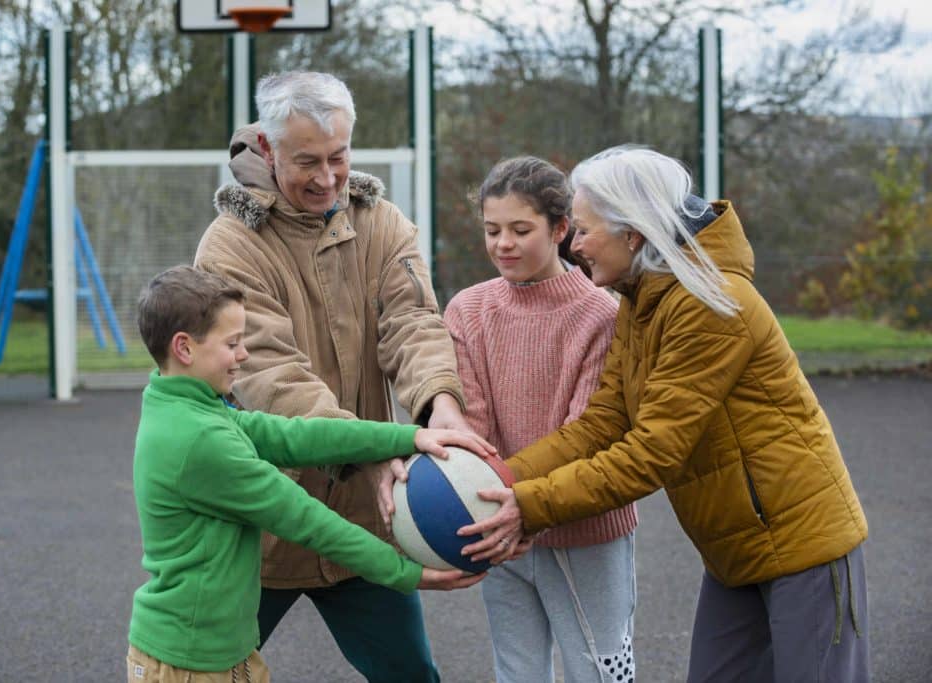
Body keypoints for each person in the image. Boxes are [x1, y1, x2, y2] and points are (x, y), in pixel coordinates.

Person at [461, 146, 870, 682]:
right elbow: (603, 423)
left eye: (583, 230)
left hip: (802, 546)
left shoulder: (708, 302)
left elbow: (653, 452)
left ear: (632, 233)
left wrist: (527, 506)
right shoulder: (641, 298)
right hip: (734, 548)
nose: (575, 244)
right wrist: (500, 478)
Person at [193, 71, 472, 682]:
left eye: (338, 157)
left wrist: (440, 408)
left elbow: (414, 324)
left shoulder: (382, 223)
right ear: (266, 150)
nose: (326, 178)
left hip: (361, 523)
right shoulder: (230, 245)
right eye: (306, 162)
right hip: (262, 523)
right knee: (204, 673)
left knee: (411, 675)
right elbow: (269, 376)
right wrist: (370, 452)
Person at [126, 265, 490, 683]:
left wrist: (408, 438)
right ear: (184, 348)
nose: (244, 354)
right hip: (189, 664)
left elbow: (295, 435)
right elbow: (305, 519)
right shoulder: (199, 439)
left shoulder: (190, 406)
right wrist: (405, 573)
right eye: (232, 343)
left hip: (219, 653)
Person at [443, 156, 638, 683]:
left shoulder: (601, 313)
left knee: (599, 670)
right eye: (492, 230)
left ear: (560, 229)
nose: (503, 243)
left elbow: (588, 432)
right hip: (497, 526)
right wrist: (495, 507)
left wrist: (521, 504)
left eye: (520, 229)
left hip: (585, 528)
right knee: (517, 671)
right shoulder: (468, 309)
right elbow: (473, 423)